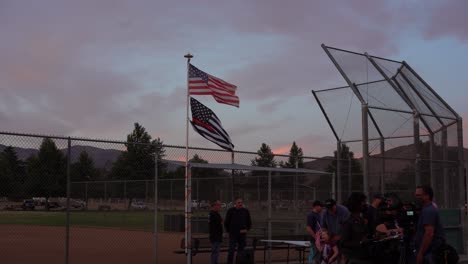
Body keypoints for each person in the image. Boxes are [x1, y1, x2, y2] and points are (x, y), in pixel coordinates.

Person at [414, 185, 445, 264]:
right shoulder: (425, 209)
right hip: (428, 251)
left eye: (419, 195)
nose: (416, 197)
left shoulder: (428, 211)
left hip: (430, 252)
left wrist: (421, 253)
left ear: (427, 196)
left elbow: (429, 234)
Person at [341, 192, 370, 263]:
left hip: (364, 256)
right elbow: (344, 243)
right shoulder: (348, 222)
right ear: (357, 204)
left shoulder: (361, 220)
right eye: (363, 202)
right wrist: (360, 242)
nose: (365, 204)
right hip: (353, 258)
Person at [321, 199, 350, 264]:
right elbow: (323, 227)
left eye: (331, 208)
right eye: (328, 208)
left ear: (335, 205)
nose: (330, 210)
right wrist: (326, 235)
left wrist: (339, 237)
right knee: (333, 256)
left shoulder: (344, 211)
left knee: (343, 257)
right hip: (332, 237)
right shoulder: (325, 212)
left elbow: (348, 229)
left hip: (344, 238)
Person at [224, 197, 252, 264]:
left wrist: (246, 229)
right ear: (235, 203)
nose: (240, 204)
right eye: (239, 202)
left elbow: (249, 222)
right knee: (231, 250)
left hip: (242, 235)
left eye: (241, 202)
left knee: (241, 251)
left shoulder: (245, 211)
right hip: (233, 234)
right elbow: (226, 222)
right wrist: (228, 231)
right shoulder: (231, 211)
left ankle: (239, 262)